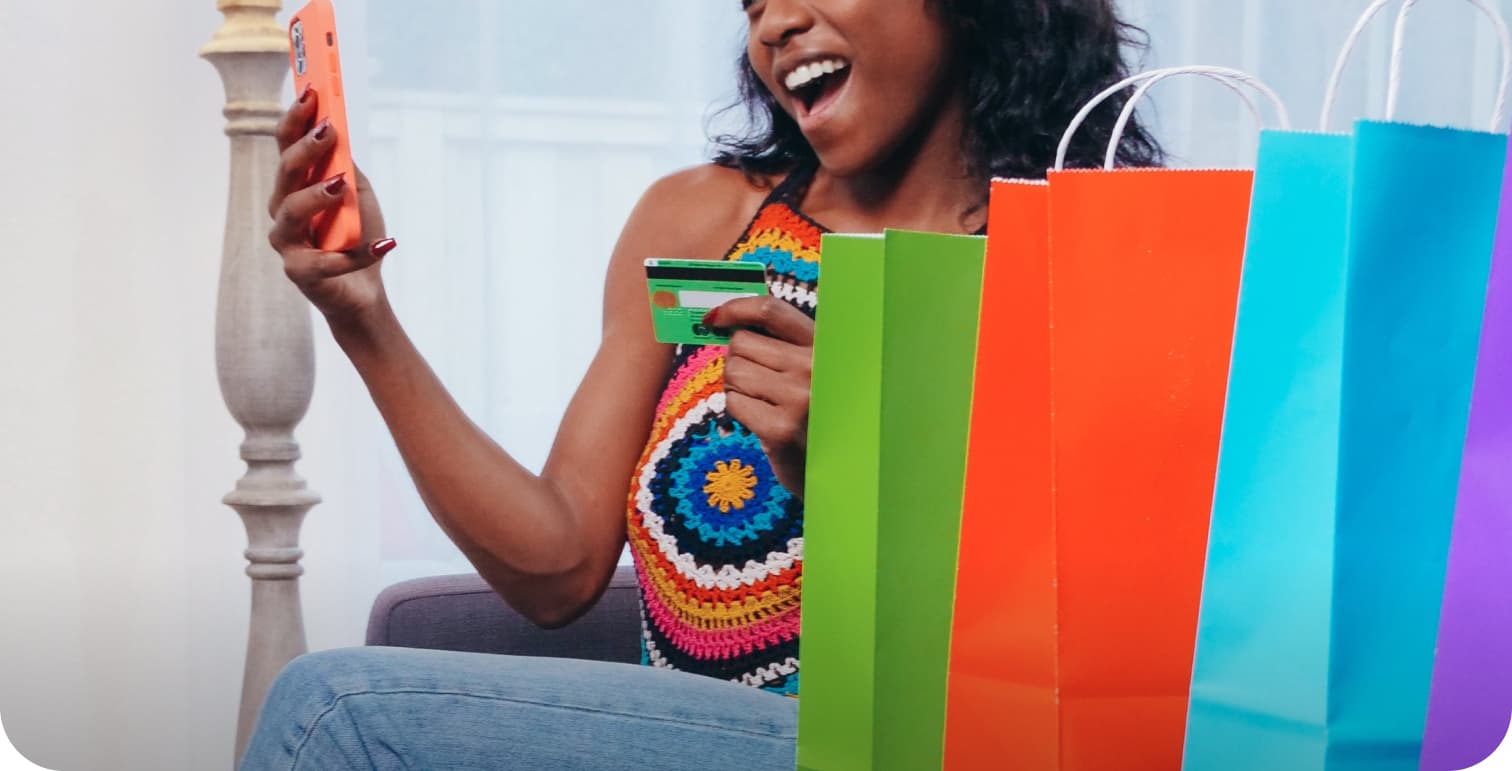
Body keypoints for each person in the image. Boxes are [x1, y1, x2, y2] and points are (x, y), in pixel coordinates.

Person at [241, 0, 1161, 768]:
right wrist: (364, 320)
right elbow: (556, 565)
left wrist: (849, 460)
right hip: (689, 736)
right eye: (754, 3)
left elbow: (1105, 636)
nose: (775, 26)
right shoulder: (709, 222)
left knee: (337, 708)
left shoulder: (1082, 258)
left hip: (924, 746)